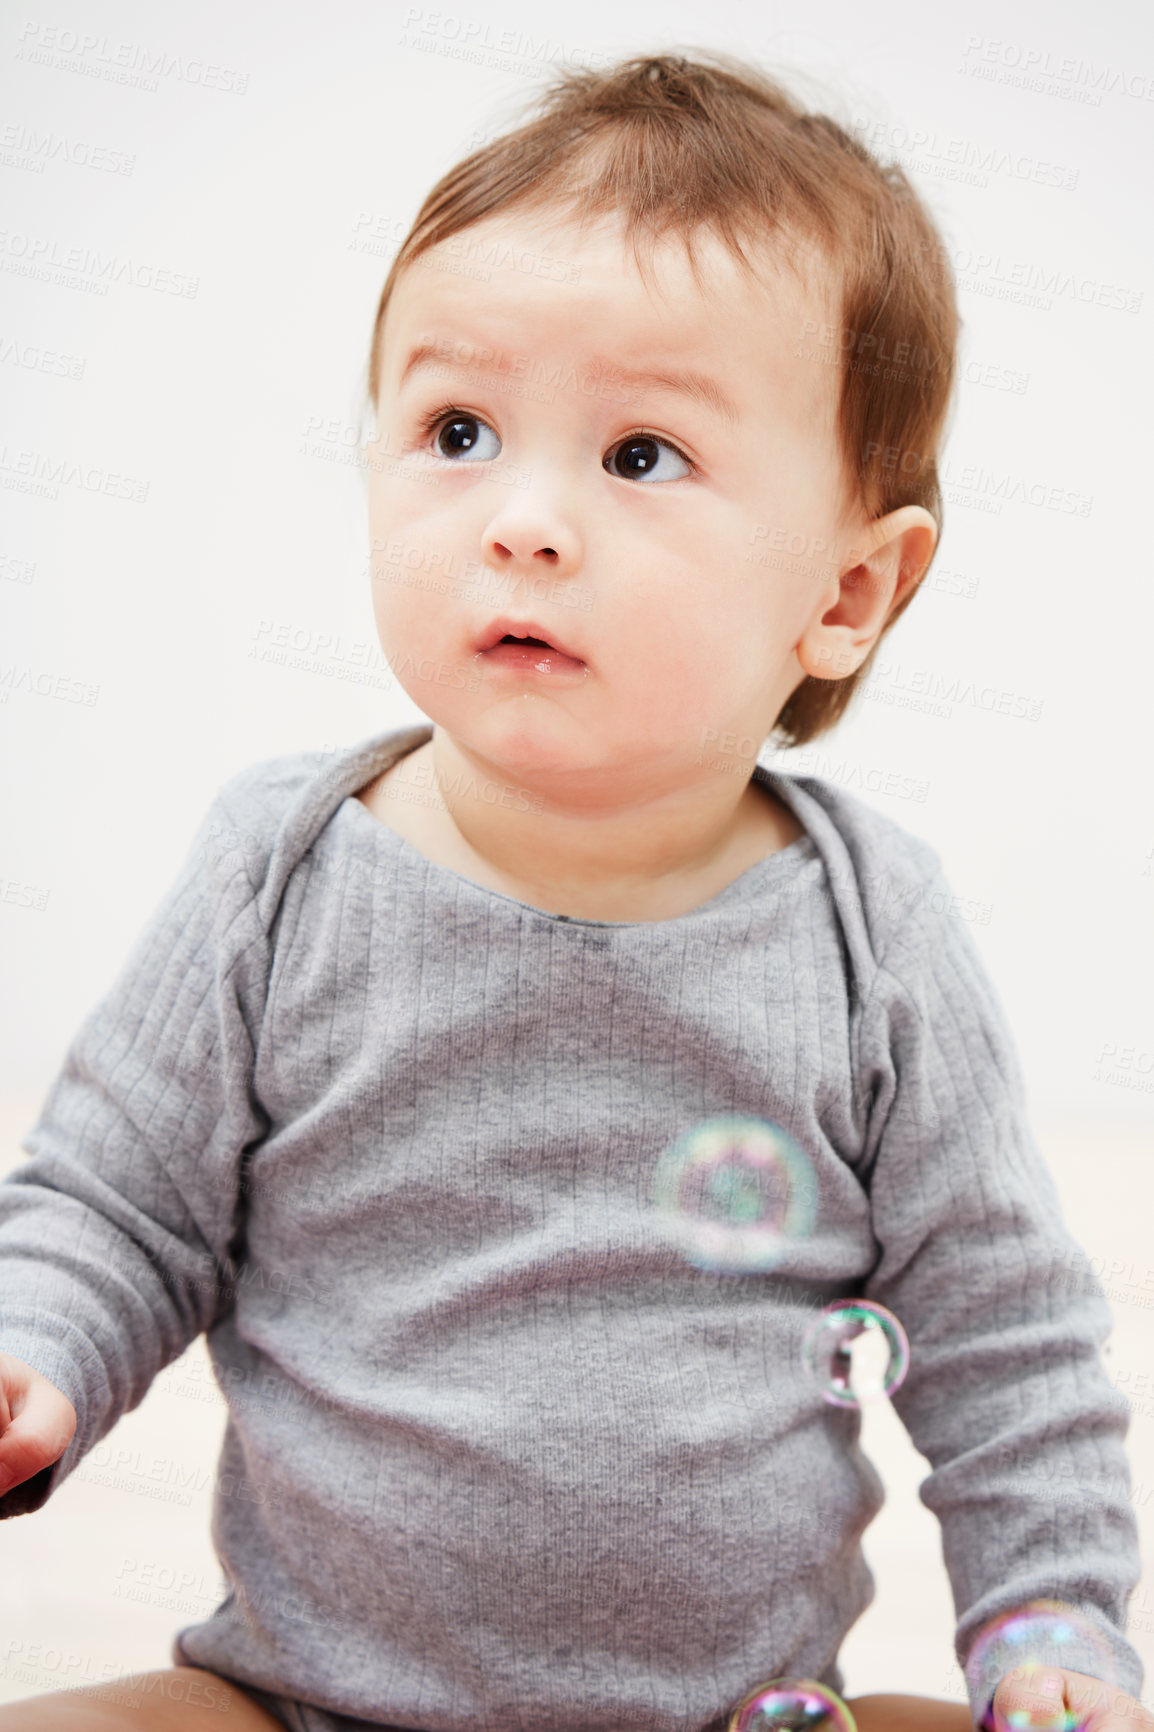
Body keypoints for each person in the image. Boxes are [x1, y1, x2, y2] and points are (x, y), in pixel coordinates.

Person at [0, 48, 1148, 1732]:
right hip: (305, 1698)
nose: (523, 520)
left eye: (640, 456)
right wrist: (34, 1355)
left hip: (740, 1709)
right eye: (457, 430)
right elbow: (119, 1208)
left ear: (844, 590)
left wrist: (1052, 1626)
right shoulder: (282, 874)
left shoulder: (863, 932)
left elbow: (1004, 1341)